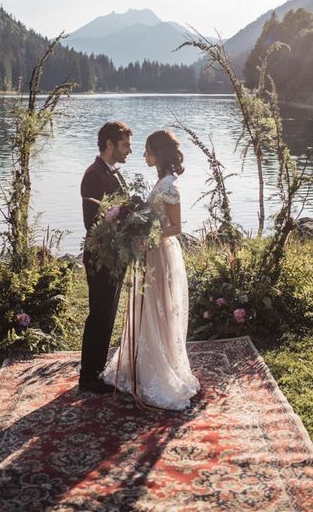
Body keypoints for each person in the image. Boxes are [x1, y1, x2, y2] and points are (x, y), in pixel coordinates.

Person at [103, 130, 200, 410]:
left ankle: (160, 370)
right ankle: (142, 365)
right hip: (151, 252)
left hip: (160, 253)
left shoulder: (169, 185)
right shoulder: (161, 181)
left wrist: (148, 233)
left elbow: (176, 227)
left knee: (158, 309)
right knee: (149, 309)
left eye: (147, 151)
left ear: (158, 154)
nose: (143, 155)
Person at [79, 120, 133, 394]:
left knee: (108, 314)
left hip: (115, 257)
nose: (129, 151)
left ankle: (97, 371)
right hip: (101, 256)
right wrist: (124, 216)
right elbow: (92, 222)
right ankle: (87, 377)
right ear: (109, 144)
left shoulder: (114, 172)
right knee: (99, 314)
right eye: (125, 145)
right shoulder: (94, 174)